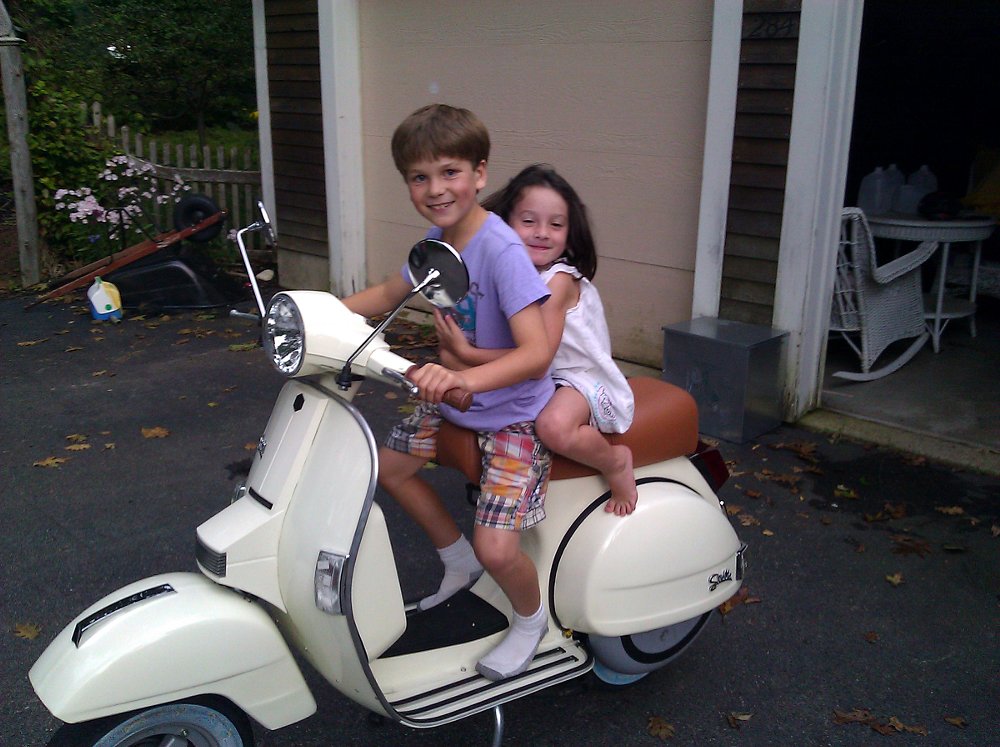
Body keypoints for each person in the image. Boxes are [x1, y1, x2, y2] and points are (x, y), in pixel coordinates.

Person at [342, 105, 555, 682]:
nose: (435, 189)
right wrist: (320, 315)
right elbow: (392, 289)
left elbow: (537, 353)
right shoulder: (438, 241)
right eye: (419, 177)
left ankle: (532, 620)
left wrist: (463, 377)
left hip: (511, 413)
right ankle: (455, 562)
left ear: (480, 174)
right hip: (456, 395)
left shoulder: (502, 250)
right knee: (390, 469)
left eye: (450, 172)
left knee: (500, 550)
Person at [436, 164, 637, 514]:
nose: (542, 233)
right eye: (529, 221)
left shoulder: (557, 281)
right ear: (506, 222)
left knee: (553, 426)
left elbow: (535, 359)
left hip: (576, 377)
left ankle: (615, 462)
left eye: (556, 224)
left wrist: (466, 353)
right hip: (538, 373)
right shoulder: (509, 267)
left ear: (570, 232)